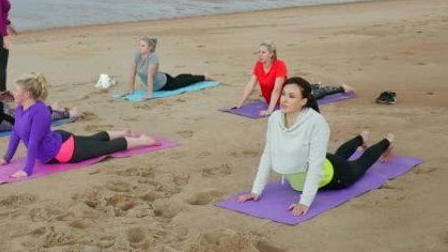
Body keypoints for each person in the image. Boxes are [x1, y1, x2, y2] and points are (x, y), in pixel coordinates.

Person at [237, 77, 395, 217]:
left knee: (360, 165)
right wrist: (256, 190)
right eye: (283, 94)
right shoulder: (275, 118)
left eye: (292, 96)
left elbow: (316, 166)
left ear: (303, 101)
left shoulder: (316, 123)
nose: (284, 100)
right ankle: (361, 138)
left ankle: (387, 142)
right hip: (312, 166)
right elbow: (268, 155)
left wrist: (304, 202)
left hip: (334, 176)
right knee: (338, 157)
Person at [0, 74, 160, 178]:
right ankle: (123, 132)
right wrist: (6, 158)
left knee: (105, 148)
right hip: (57, 142)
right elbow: (16, 135)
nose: (13, 93)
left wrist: (27, 171)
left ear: (26, 94)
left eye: (15, 90)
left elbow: (33, 142)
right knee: (92, 140)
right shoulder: (21, 108)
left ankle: (142, 140)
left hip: (62, 152)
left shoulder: (39, 111)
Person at [234, 42, 355, 116]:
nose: (260, 55)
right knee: (302, 86)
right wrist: (239, 104)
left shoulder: (279, 65)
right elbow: (250, 85)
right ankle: (316, 84)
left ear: (271, 54)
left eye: (263, 52)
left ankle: (341, 88)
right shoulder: (258, 65)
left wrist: (269, 110)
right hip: (279, 95)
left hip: (290, 96)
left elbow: (277, 89)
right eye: (259, 52)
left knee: (314, 94)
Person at [126, 37, 211, 100]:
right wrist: (131, 90)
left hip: (165, 83)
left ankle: (204, 77)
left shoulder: (153, 57)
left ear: (150, 48)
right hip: (157, 83)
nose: (140, 47)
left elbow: (150, 75)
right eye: (139, 45)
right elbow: (133, 72)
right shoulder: (137, 55)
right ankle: (190, 74)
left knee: (184, 82)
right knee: (177, 79)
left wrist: (149, 94)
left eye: (143, 46)